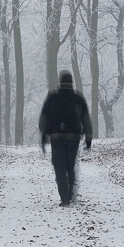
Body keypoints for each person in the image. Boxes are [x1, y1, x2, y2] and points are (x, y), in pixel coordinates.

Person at [38, 69, 92, 206]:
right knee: (70, 165)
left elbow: (43, 119)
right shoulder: (78, 98)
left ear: (60, 82)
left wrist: (44, 135)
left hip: (56, 137)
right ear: (72, 82)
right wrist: (88, 137)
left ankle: (64, 198)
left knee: (59, 167)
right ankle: (69, 194)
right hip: (73, 137)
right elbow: (86, 119)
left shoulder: (52, 98)